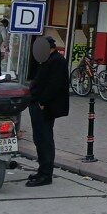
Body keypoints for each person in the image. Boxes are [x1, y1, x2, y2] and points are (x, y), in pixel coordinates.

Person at [26, 36, 70, 187]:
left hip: (44, 107)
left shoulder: (57, 61)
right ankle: (42, 170)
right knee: (39, 139)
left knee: (44, 139)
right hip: (39, 104)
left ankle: (45, 174)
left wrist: (42, 103)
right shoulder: (47, 60)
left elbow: (53, 85)